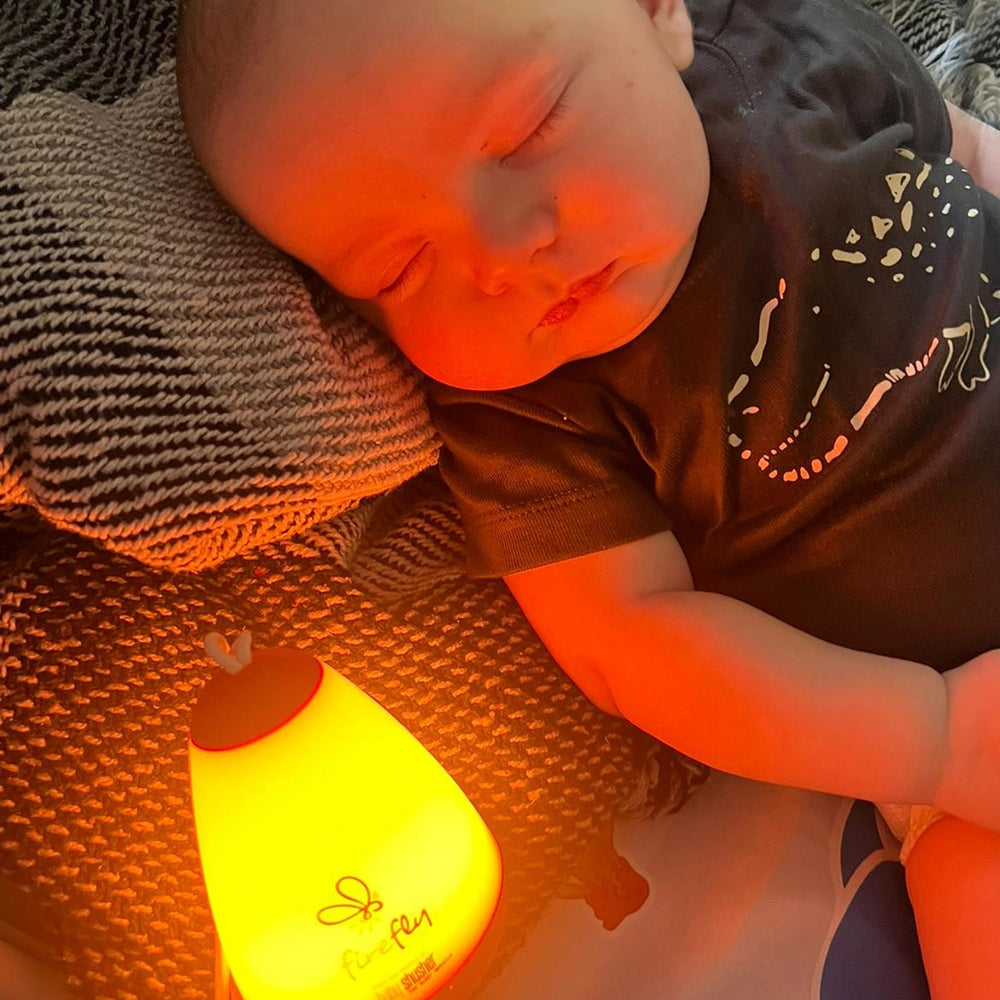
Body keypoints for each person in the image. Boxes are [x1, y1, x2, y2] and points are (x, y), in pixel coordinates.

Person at [174, 0, 1000, 995]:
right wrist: (932, 737)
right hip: (964, 703)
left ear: (658, 13)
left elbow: (963, 153)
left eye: (529, 128)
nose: (504, 249)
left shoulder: (782, 53)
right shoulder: (517, 416)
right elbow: (633, 643)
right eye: (400, 264)